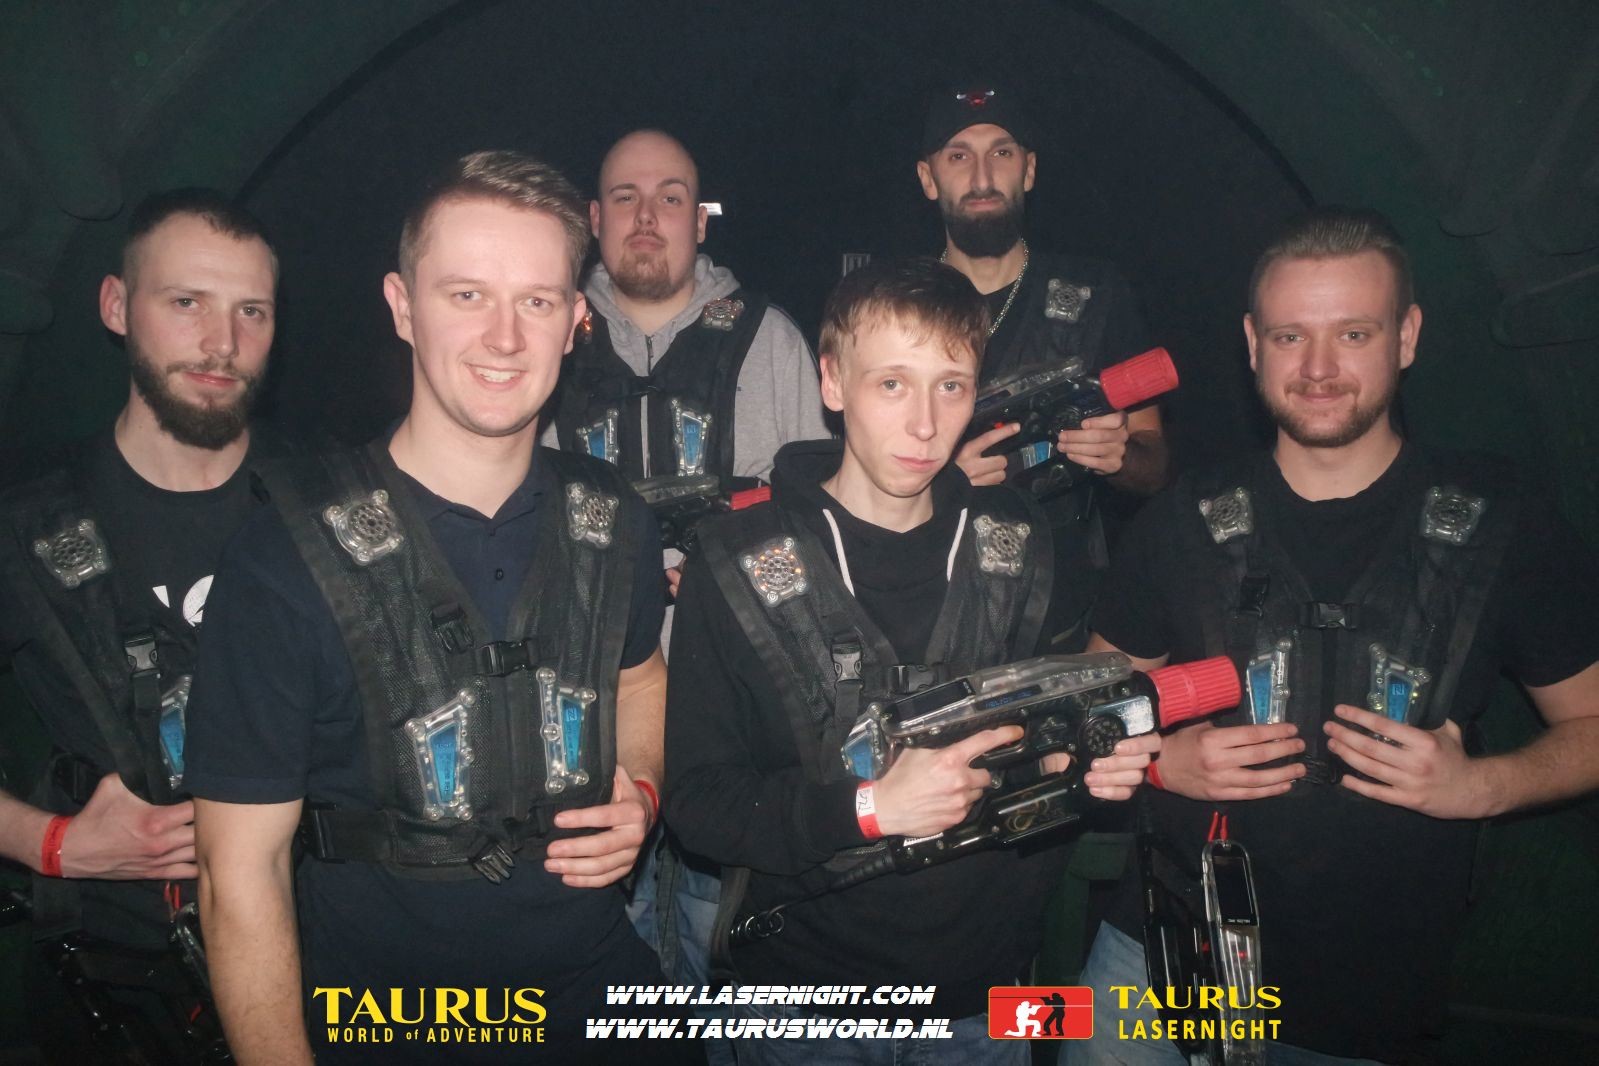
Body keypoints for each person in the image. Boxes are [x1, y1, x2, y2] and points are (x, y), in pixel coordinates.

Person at [185, 151, 690, 1065]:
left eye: (536, 301)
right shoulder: (283, 560)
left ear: (574, 322)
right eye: (466, 295)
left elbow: (643, 677)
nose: (504, 337)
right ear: (401, 305)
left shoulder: (614, 519)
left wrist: (642, 788)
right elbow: (236, 874)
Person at [1071, 207, 1599, 1063]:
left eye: (1353, 333)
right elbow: (1088, 714)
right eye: (1290, 337)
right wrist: (1164, 761)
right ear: (1252, 345)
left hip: (1362, 993)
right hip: (1157, 969)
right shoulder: (1180, 519)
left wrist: (1483, 786)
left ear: (1406, 337)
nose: (1317, 369)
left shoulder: (1503, 524)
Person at [664, 257, 1157, 1063]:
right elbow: (698, 804)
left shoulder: (1021, 542)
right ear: (832, 382)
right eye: (892, 383)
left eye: (950, 386)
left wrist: (1078, 765)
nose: (925, 424)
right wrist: (867, 808)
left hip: (986, 998)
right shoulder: (733, 558)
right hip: (802, 998)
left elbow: (1038, 751)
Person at [546, 128, 830, 992]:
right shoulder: (544, 332)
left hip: (734, 711)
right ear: (593, 219)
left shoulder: (768, 339)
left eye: (670, 197)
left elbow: (816, 527)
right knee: (605, 967)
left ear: (699, 221)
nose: (647, 216)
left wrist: (727, 576)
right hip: (590, 710)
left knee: (725, 961)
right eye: (625, 197)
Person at [0, 188, 279, 1063]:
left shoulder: (333, 507)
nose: (222, 342)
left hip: (321, 961)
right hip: (116, 995)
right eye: (186, 301)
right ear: (117, 307)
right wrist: (49, 842)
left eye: (251, 310)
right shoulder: (28, 529)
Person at [919, 81, 1170, 650]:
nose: (983, 176)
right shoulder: (893, 307)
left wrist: (1119, 455)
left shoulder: (1097, 294)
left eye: (1001, 152)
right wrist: (936, 483)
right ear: (928, 178)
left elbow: (1154, 462)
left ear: (1028, 170)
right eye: (958, 156)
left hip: (1060, 618)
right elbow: (852, 478)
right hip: (926, 608)